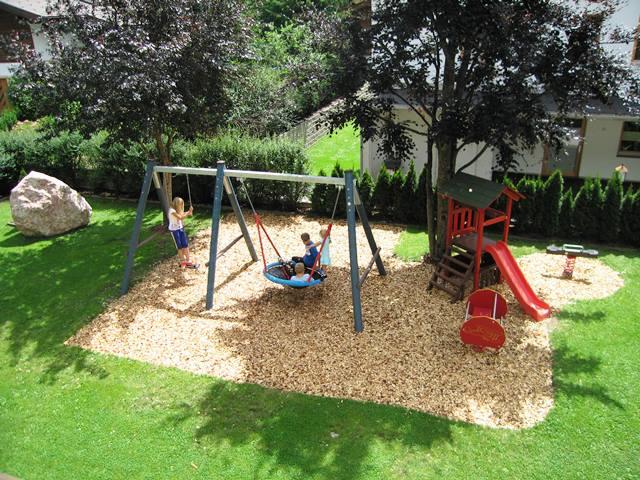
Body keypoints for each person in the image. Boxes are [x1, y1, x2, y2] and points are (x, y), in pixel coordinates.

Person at [168, 197, 197, 269]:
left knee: (185, 244)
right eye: (181, 204)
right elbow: (180, 217)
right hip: (174, 230)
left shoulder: (177, 210)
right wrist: (188, 213)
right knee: (179, 246)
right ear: (177, 204)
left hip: (180, 228)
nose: (181, 206)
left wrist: (189, 211)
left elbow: (182, 214)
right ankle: (182, 261)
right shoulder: (171, 210)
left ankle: (188, 260)